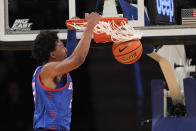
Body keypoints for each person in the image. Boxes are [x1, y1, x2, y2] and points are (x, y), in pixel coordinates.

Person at [31, 12, 100, 131]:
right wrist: (90, 26)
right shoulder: (48, 70)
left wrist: (71, 31)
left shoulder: (53, 70)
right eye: (62, 46)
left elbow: (70, 55)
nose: (66, 49)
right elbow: (77, 59)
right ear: (52, 54)